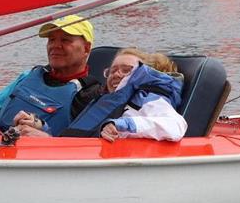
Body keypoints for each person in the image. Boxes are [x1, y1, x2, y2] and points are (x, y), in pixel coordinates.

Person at [0, 15, 100, 135]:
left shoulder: (90, 96)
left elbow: (77, 145)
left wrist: (42, 131)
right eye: (51, 40)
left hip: (37, 164)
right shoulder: (29, 76)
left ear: (86, 48)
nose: (55, 46)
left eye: (65, 40)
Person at [57, 47, 187, 141]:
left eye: (126, 70)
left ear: (140, 76)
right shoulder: (102, 100)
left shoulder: (147, 99)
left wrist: (121, 125)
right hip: (74, 153)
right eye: (113, 71)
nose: (117, 74)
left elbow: (175, 126)